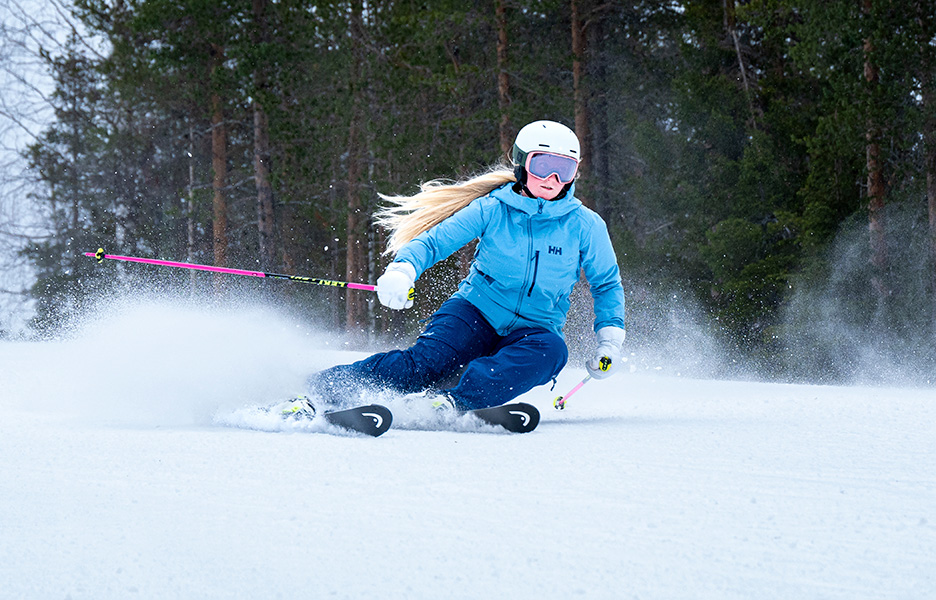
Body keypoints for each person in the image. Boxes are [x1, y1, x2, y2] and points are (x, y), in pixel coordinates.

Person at [299, 120, 625, 414]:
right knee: (424, 365)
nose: (553, 179)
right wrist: (403, 270)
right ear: (522, 164)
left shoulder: (585, 225)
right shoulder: (493, 209)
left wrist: (609, 340)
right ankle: (319, 391)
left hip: (535, 330)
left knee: (553, 352)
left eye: (564, 170)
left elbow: (606, 283)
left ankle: (453, 401)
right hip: (474, 313)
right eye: (542, 165)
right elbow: (434, 242)